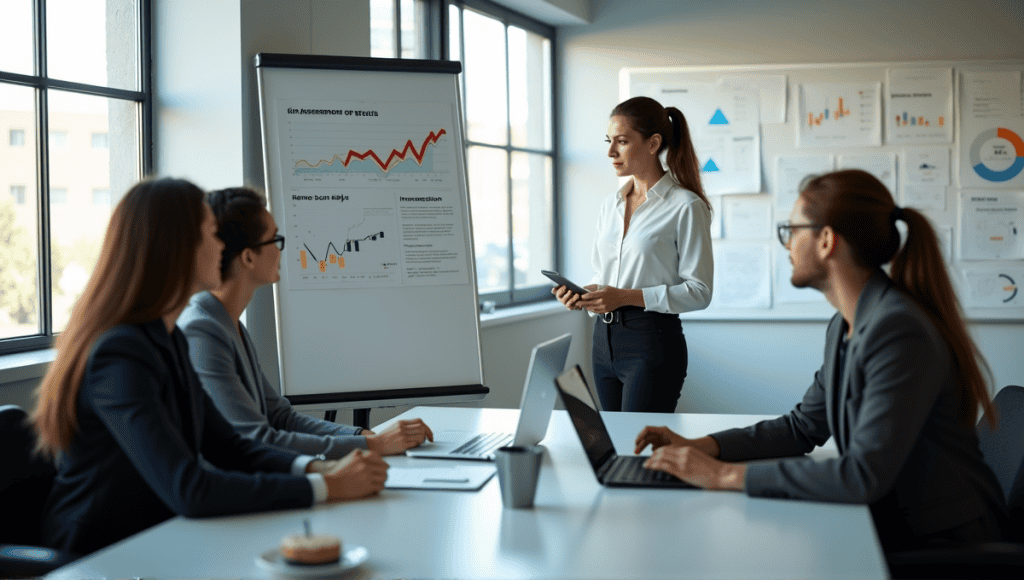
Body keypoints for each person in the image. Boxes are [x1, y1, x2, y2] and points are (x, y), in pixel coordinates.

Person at [634, 169, 1007, 552]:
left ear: (827, 240)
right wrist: (702, 447)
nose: (788, 245)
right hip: (895, 523)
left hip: (944, 543)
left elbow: (862, 475)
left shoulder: (897, 330)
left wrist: (724, 475)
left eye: (793, 231)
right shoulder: (847, 323)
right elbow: (802, 428)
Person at [32, 178, 389, 555]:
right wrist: (328, 487)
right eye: (211, 234)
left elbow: (232, 447)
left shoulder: (168, 339)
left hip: (161, 540)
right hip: (99, 556)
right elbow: (189, 488)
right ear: (177, 248)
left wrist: (318, 470)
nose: (222, 247)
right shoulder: (120, 354)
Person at [178, 186, 433, 458]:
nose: (280, 250)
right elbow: (256, 438)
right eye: (274, 240)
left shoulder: (228, 322)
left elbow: (280, 417)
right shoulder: (203, 331)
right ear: (249, 257)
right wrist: (374, 445)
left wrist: (361, 435)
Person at [554, 96, 713, 413]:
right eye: (609, 141)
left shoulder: (686, 206)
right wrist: (585, 295)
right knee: (612, 444)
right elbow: (604, 277)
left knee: (637, 448)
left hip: (651, 342)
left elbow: (700, 292)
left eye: (622, 142)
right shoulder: (609, 205)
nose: (611, 152)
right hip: (603, 341)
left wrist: (625, 297)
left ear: (653, 143)